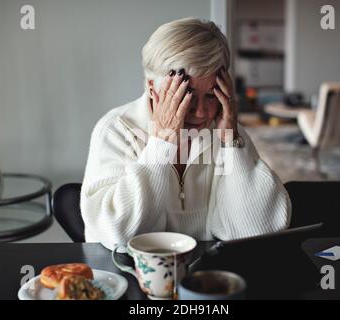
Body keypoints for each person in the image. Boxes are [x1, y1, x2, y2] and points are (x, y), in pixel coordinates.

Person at [80, 17, 291, 250]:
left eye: (212, 95)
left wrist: (231, 142)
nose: (200, 112)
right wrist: (162, 143)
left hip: (210, 278)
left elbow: (260, 232)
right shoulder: (116, 130)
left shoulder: (226, 130)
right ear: (152, 88)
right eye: (185, 95)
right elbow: (117, 237)